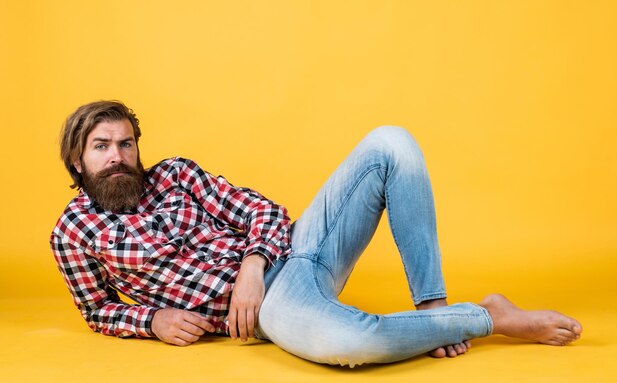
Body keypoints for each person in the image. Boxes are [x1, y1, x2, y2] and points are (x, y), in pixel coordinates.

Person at [51, 100, 582, 367]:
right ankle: (488, 316)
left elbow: (263, 211)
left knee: (390, 142)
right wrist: (154, 318)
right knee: (346, 344)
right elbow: (99, 310)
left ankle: (432, 309)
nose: (118, 157)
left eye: (125, 144)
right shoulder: (73, 234)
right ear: (77, 160)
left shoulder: (177, 174)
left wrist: (253, 266)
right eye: (102, 147)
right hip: (278, 308)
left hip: (297, 250)